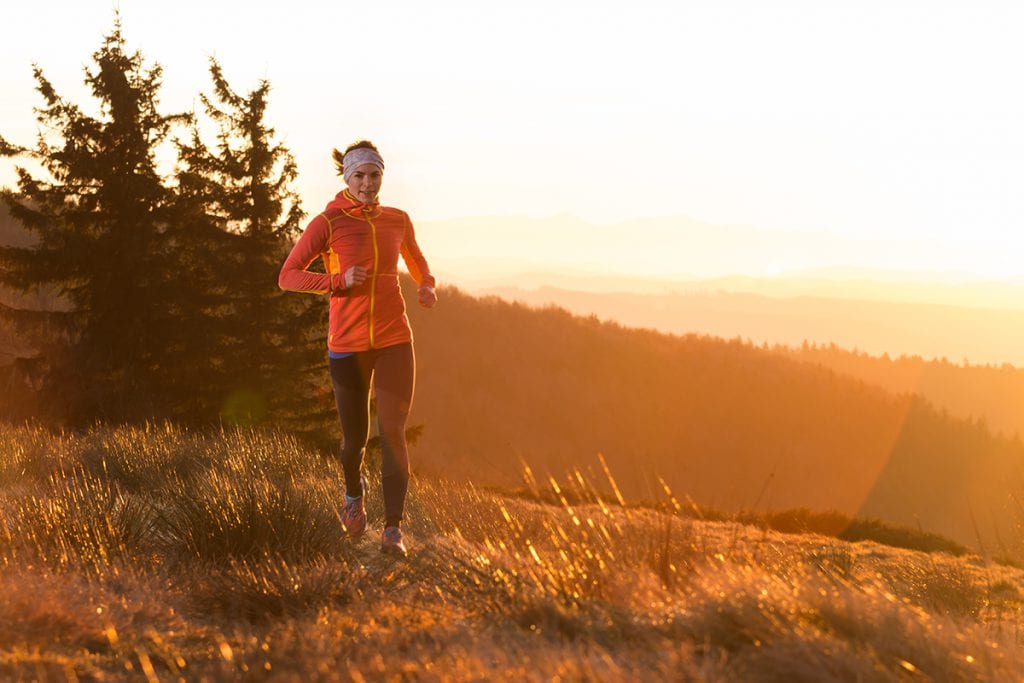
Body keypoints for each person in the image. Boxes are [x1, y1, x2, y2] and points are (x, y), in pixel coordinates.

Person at [279, 140, 436, 557]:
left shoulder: (397, 219)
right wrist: (336, 281)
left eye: (374, 175)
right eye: (360, 176)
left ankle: (392, 530)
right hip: (346, 345)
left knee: (394, 432)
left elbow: (416, 258)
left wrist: (426, 284)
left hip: (394, 340)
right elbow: (288, 276)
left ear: (382, 176)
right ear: (347, 178)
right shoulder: (328, 223)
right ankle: (353, 493)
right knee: (355, 441)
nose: (367, 183)